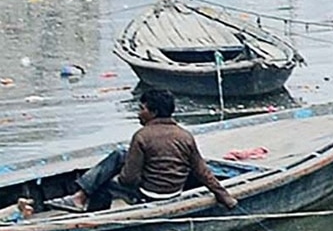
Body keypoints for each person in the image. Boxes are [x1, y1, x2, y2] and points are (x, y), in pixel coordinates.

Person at [81, 85, 238, 214]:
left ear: (153, 113)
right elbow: (203, 172)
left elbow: (129, 179)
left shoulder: (142, 136)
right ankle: (80, 196)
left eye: (142, 109)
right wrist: (224, 195)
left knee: (103, 185)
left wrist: (121, 176)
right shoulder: (185, 135)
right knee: (121, 154)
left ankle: (93, 215)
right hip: (175, 191)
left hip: (150, 195)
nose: (138, 113)